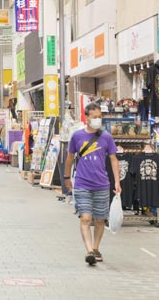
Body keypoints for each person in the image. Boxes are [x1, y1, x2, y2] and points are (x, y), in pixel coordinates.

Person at [63, 103, 121, 266]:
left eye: (100, 117)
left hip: (102, 184)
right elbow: (69, 158)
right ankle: (89, 251)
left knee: (100, 220)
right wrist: (66, 177)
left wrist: (117, 181)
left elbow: (114, 160)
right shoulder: (77, 136)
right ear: (86, 117)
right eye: (95, 117)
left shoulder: (106, 137)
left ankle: (95, 248)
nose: (98, 120)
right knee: (86, 218)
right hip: (82, 183)